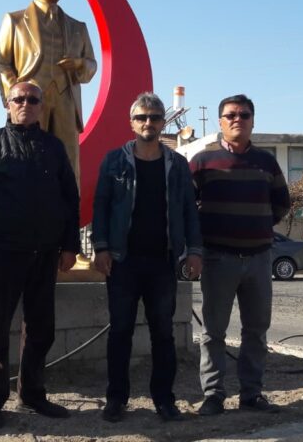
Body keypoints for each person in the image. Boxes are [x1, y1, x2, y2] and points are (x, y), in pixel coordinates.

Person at [0, 81, 80, 429]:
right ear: (8, 103)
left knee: (41, 327)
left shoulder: (54, 147)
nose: (26, 104)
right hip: (3, 253)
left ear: (42, 106)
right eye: (19, 99)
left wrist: (70, 246)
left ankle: (32, 393)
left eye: (33, 99)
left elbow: (70, 197)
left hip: (45, 252)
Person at [91, 92, 204, 423]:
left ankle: (164, 400)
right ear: (131, 123)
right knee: (120, 332)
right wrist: (100, 248)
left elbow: (189, 210)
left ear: (162, 122)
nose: (148, 123)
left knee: (163, 334)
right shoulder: (114, 161)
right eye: (141, 117)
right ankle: (116, 399)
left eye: (154, 117)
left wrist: (194, 251)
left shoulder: (177, 165)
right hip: (123, 261)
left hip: (163, 262)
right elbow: (100, 206)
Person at [190, 94, 290, 416]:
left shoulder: (266, 162)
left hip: (259, 260)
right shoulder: (202, 161)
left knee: (256, 332)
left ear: (252, 121)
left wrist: (255, 225)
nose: (238, 119)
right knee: (213, 333)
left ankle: (251, 394)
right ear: (220, 121)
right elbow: (186, 208)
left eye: (244, 115)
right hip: (217, 259)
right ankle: (213, 395)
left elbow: (282, 203)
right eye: (231, 115)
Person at [0, 0, 98, 185]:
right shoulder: (15, 21)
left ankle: (69, 207)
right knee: (26, 159)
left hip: (66, 99)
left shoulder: (78, 27)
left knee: (67, 163)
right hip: (29, 102)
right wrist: (15, 96)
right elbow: (0, 62)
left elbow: (91, 65)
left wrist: (79, 63)